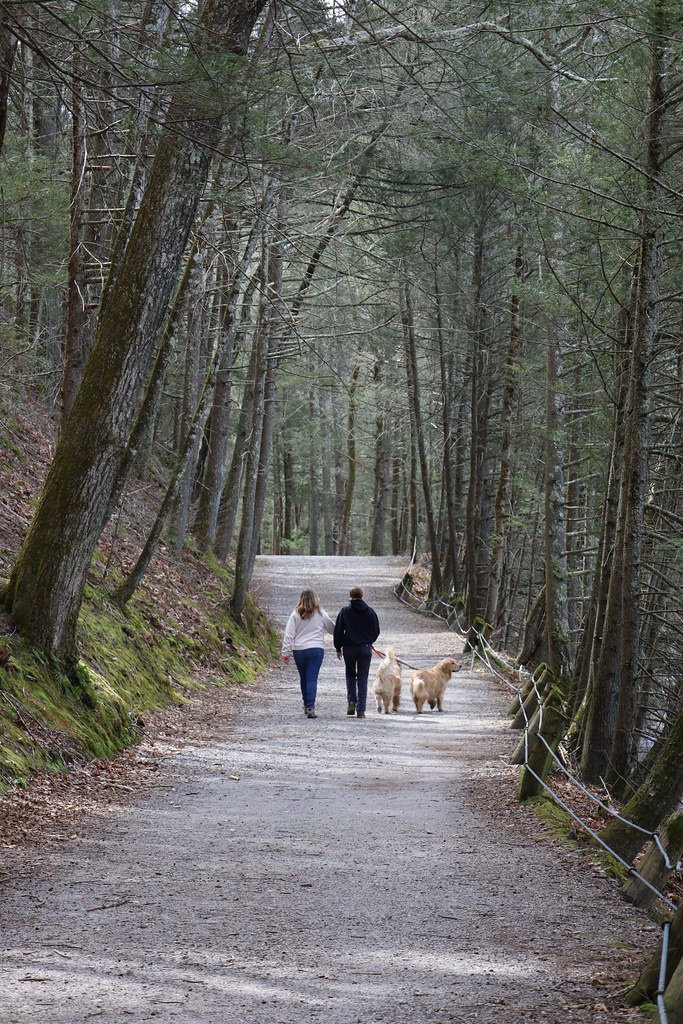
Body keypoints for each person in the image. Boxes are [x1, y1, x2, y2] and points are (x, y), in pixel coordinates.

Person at [282, 589, 335, 719]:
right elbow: (332, 629)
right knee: (312, 678)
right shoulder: (321, 614)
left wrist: (285, 651)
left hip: (299, 650)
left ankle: (306, 705)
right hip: (316, 649)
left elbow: (289, 634)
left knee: (303, 677)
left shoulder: (295, 615)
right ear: (315, 599)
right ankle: (310, 707)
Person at [333, 586, 380, 719]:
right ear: (362, 596)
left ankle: (351, 702)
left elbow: (338, 630)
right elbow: (376, 630)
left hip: (349, 648)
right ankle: (361, 710)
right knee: (363, 678)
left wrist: (338, 647)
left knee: (350, 675)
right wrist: (368, 641)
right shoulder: (370, 612)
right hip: (365, 648)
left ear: (350, 596)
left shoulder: (345, 611)